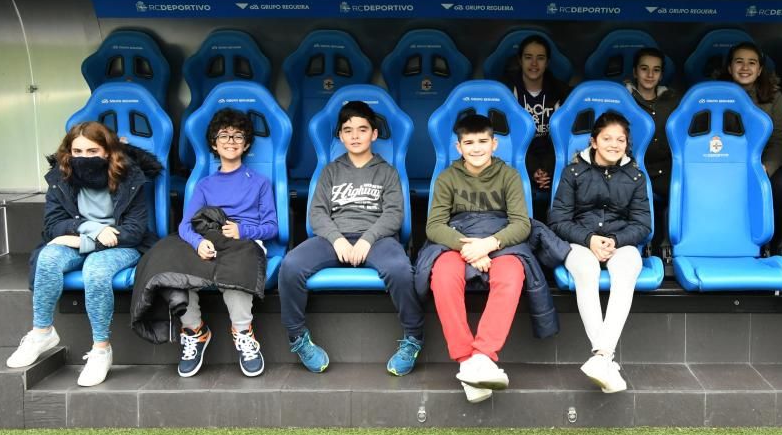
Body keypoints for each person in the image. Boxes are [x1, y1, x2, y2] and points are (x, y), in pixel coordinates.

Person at [7, 122, 162, 387]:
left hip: (122, 245)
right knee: (48, 257)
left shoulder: (130, 177)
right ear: (68, 152)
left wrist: (81, 240)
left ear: (107, 151)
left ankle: (101, 349)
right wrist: (91, 230)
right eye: (77, 151)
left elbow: (134, 232)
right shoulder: (60, 177)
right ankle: (42, 332)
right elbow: (53, 225)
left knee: (95, 269)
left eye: (92, 151)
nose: (84, 157)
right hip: (83, 238)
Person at [278, 101, 424, 376]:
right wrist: (337, 239)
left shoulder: (387, 172)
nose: (355, 135)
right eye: (348, 130)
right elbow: (317, 213)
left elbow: (394, 215)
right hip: (334, 239)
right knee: (291, 265)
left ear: (374, 135)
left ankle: (413, 338)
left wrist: (367, 239)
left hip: (377, 239)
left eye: (362, 129)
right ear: (341, 136)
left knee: (401, 270)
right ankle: (298, 338)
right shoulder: (330, 171)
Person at [420, 114, 531, 404]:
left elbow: (521, 224)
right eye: (469, 142)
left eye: (483, 141)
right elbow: (434, 225)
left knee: (512, 274)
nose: (477, 148)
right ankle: (465, 360)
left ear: (494, 143)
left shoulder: (509, 176)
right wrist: (467, 249)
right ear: (458, 147)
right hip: (460, 240)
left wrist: (490, 245)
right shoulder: (447, 177)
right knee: (443, 275)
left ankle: (482, 355)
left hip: (499, 239)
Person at [549, 112, 651, 393]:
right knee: (587, 270)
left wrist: (615, 241)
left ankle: (602, 356)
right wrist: (588, 238)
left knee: (628, 268)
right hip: (580, 241)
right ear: (594, 141)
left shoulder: (635, 176)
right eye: (607, 138)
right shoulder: (573, 172)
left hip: (620, 243)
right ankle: (605, 360)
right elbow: (558, 219)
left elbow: (643, 224)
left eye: (621, 139)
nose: (614, 144)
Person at [173, 109, 277, 378]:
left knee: (236, 267)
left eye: (238, 136)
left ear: (247, 143)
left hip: (244, 243)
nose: (231, 141)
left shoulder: (261, 183)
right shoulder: (204, 185)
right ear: (213, 143)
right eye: (224, 135)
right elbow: (186, 225)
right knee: (172, 262)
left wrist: (243, 230)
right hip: (210, 241)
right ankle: (194, 332)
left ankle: (244, 334)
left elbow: (272, 227)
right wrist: (197, 243)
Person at [720, 41, 782, 251]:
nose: (745, 67)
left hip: (763, 163)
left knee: (781, 186)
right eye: (739, 62)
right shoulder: (716, 94)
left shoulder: (774, 97)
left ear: (759, 70)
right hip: (723, 161)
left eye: (752, 63)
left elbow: (779, 139)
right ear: (730, 67)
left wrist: (766, 166)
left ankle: (772, 244)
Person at [625, 47, 678, 254]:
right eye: (644, 68)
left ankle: (671, 247)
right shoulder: (623, 98)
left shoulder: (673, 100)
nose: (649, 74)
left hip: (667, 168)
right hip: (633, 167)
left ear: (661, 74)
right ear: (635, 71)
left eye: (656, 70)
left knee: (686, 189)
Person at [504, 34, 571, 197]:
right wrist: (533, 168)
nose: (534, 63)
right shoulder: (506, 90)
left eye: (540, 58)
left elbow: (565, 139)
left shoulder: (561, 91)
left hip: (552, 155)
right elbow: (506, 139)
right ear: (520, 60)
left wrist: (546, 169)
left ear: (547, 62)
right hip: (517, 156)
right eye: (528, 57)